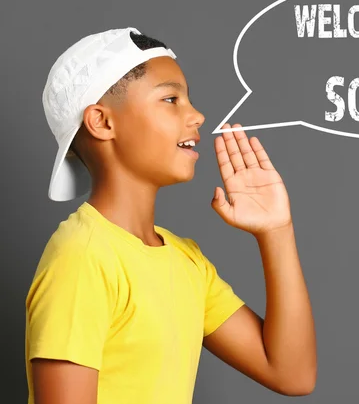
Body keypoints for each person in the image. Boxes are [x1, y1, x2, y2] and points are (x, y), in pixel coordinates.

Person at [25, 27, 317, 404]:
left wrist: (277, 230)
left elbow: (292, 374)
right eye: (170, 99)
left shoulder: (186, 261)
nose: (196, 115)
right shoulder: (81, 258)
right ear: (102, 122)